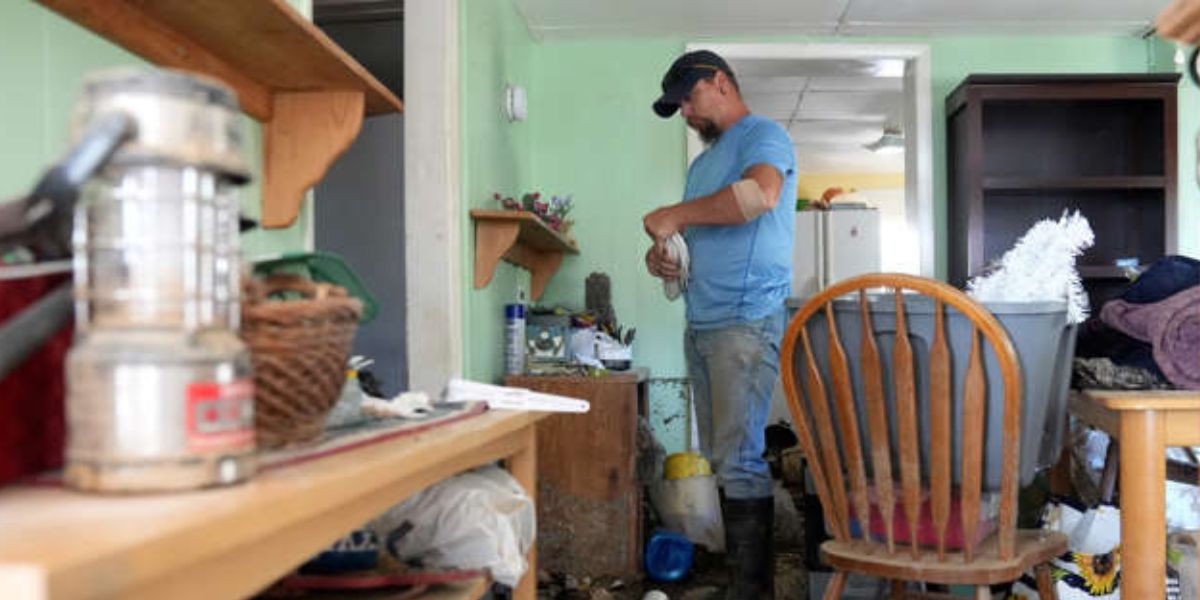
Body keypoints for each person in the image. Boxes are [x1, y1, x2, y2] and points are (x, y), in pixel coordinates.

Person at [643, 50, 796, 599]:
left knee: (740, 459)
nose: (685, 111)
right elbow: (694, 237)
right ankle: (741, 583)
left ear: (720, 83)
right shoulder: (702, 166)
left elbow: (761, 195)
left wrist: (676, 214)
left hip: (744, 321)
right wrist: (665, 257)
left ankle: (751, 591)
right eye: (678, 105)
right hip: (703, 320)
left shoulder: (763, 136)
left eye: (689, 97)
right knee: (720, 460)